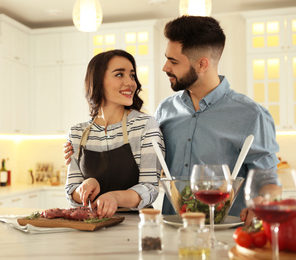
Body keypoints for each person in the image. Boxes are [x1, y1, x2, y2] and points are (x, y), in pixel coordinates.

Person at [64, 16, 282, 226]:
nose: (165, 67)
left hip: (225, 230)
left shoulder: (252, 115)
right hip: (173, 228)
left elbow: (268, 181)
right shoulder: (165, 110)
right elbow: (141, 161)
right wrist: (84, 153)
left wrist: (264, 203)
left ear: (202, 64)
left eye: (173, 61)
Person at [65, 49, 164, 219]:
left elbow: (150, 188)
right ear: (97, 81)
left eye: (132, 76)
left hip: (136, 226)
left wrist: (115, 197)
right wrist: (85, 186)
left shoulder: (145, 125)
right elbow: (71, 191)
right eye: (119, 75)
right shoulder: (77, 133)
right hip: (90, 224)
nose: (130, 82)